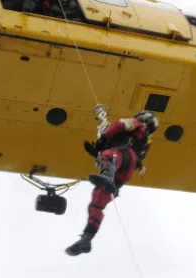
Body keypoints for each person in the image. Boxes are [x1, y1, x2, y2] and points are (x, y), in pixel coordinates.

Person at [65, 110, 159, 256]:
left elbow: (119, 125)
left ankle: (107, 176)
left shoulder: (135, 124)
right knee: (97, 202)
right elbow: (137, 161)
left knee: (107, 158)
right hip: (125, 172)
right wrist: (96, 152)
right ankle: (86, 238)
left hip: (119, 156)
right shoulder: (145, 142)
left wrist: (102, 140)